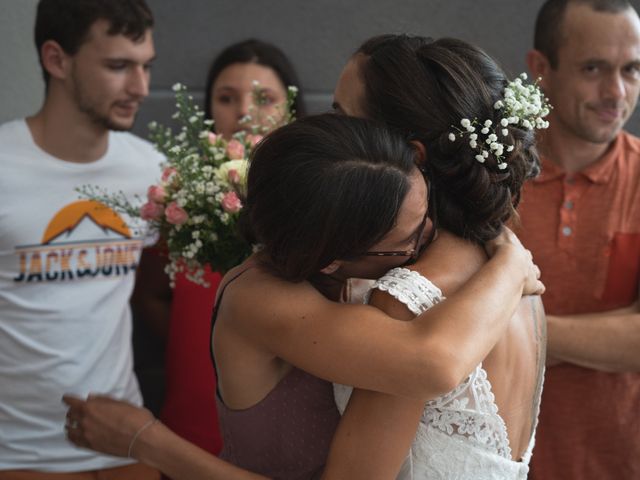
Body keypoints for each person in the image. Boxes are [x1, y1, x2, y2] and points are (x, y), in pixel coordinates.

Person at [64, 112, 543, 479]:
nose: (430, 238)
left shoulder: (359, 279)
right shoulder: (261, 297)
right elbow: (433, 364)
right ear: (331, 260)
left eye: (427, 215)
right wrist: (509, 263)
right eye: (412, 238)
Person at [325, 34, 547, 479]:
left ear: (409, 156)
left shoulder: (410, 303)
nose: (329, 139)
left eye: (345, 122)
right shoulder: (514, 275)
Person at [0, 0, 162, 478]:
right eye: (118, 66)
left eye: (146, 66)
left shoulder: (151, 170)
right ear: (57, 60)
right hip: (17, 454)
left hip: (126, 448)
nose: (141, 87)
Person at [130, 39, 306, 457]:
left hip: (281, 441)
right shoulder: (182, 201)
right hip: (187, 430)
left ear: (291, 110)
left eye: (265, 98)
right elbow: (151, 292)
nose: (245, 112)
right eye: (227, 98)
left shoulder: (316, 207)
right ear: (209, 110)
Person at [520, 1, 640, 478]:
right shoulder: (487, 180)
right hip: (506, 466)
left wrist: (520, 330)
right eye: (594, 68)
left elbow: (478, 333)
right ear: (540, 69)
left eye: (631, 69)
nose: (616, 92)